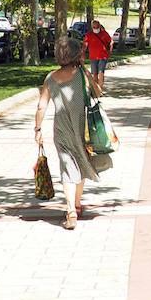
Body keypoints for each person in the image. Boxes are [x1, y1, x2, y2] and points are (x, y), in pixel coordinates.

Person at [33, 37, 100, 230]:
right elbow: (98, 92)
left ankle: (72, 208)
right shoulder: (81, 75)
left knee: (67, 166)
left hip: (61, 130)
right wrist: (86, 70)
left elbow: (41, 106)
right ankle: (75, 206)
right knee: (81, 163)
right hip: (82, 129)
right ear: (77, 55)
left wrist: (38, 129)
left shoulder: (50, 78)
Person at [84, 19, 114, 92]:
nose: (95, 29)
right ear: (92, 27)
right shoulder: (89, 35)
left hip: (103, 56)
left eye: (97, 27)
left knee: (101, 72)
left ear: (99, 26)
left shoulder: (104, 34)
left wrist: (110, 51)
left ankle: (100, 89)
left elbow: (111, 42)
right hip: (93, 56)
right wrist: (83, 53)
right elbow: (85, 45)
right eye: (94, 27)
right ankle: (95, 89)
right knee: (94, 73)